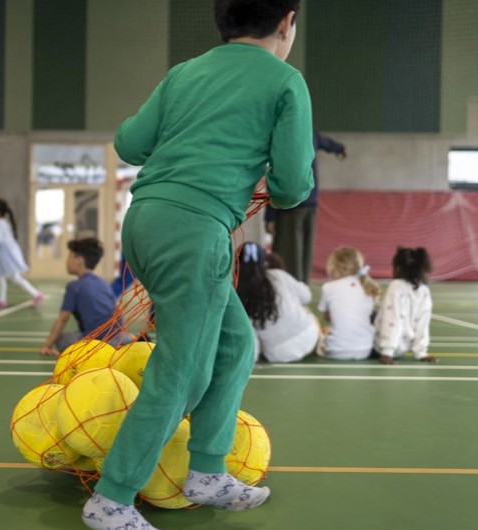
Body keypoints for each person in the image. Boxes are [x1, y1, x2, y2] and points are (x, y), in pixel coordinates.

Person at [81, 2, 315, 528]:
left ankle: (207, 469)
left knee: (235, 342)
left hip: (144, 222)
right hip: (195, 231)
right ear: (286, 23)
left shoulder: (184, 72)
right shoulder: (285, 82)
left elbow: (130, 144)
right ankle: (112, 498)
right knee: (181, 369)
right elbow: (293, 184)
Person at [265, 130, 346, 283]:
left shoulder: (283, 137)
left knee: (289, 252)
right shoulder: (310, 133)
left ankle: (290, 288)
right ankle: (303, 285)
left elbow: (276, 177)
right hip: (311, 204)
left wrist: (270, 216)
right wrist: (340, 148)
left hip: (291, 205)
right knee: (305, 253)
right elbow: (327, 143)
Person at [39, 238, 131, 357]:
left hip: (95, 341)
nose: (67, 261)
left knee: (61, 339)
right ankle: (124, 342)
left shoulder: (74, 286)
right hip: (117, 336)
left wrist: (47, 346)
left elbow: (62, 319)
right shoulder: (103, 283)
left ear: (79, 260)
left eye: (70, 256)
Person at [236, 242, 320, 363]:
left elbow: (250, 337)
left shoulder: (238, 293)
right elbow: (307, 296)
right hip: (309, 337)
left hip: (278, 354)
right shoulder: (279, 275)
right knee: (306, 310)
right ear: (264, 261)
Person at [374, 247, 437, 365]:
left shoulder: (396, 286)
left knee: (370, 314)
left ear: (398, 268)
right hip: (403, 348)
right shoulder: (424, 290)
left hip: (383, 348)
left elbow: (392, 319)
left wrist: (387, 352)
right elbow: (423, 324)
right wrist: (421, 352)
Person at [317, 246, 380, 360]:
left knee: (319, 331)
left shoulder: (328, 287)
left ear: (334, 267)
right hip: (365, 350)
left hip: (336, 351)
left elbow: (327, 317)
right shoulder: (367, 287)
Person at [0, 198, 44, 308]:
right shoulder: (4, 222)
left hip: (6, 253)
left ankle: (36, 294)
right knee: (2, 275)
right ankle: (2, 299)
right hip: (7, 251)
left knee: (8, 276)